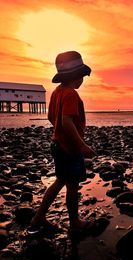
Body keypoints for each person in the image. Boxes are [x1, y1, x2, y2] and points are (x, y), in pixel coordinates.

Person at [28, 51, 96, 234]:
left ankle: (38, 217)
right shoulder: (71, 95)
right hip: (69, 149)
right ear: (77, 76)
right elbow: (66, 122)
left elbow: (52, 117)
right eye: (82, 75)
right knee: (72, 187)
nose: (83, 79)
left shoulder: (57, 92)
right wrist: (81, 145)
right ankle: (74, 223)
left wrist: (61, 132)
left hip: (57, 144)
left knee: (59, 181)